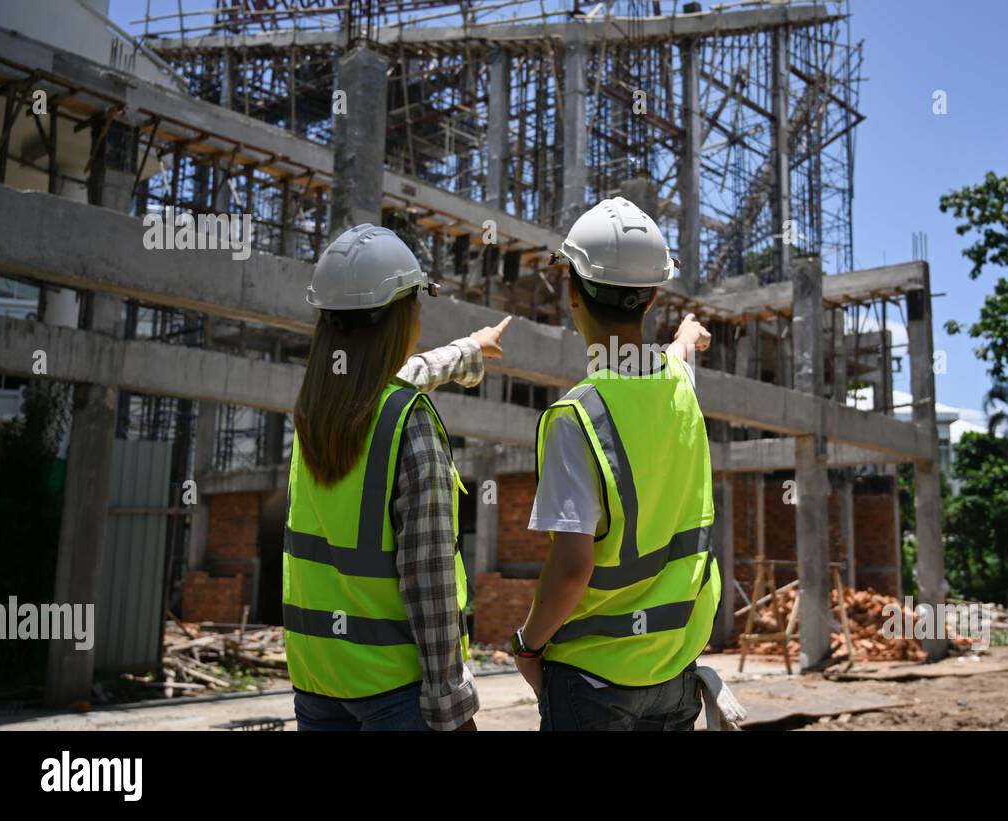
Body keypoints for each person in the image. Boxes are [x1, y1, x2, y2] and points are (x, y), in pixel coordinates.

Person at [284, 223, 508, 731]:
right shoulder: (408, 422)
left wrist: (470, 349)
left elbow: (397, 373)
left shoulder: (316, 410)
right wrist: (452, 704)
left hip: (318, 679)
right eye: (417, 302)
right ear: (400, 318)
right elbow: (427, 579)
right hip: (396, 689)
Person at [511, 197, 717, 731]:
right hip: (674, 672)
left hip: (593, 680)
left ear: (572, 293)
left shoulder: (575, 416)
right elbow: (677, 358)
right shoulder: (680, 390)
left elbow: (574, 566)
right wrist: (687, 334)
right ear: (651, 299)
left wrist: (527, 644)